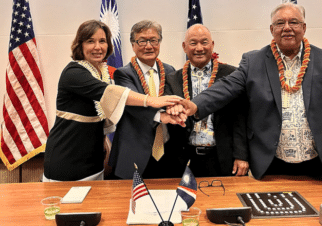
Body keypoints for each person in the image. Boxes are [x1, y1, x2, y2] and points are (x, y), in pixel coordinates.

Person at [172, 2, 322, 181]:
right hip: (271, 162)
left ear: (303, 28)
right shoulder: (253, 61)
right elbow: (226, 86)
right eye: (280, 23)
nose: (287, 28)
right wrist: (195, 105)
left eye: (293, 22)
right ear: (272, 30)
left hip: (318, 162)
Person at [43, 20, 181, 182]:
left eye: (102, 41)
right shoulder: (74, 73)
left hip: (94, 159)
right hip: (67, 156)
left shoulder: (101, 73)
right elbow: (112, 94)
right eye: (90, 41)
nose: (97, 47)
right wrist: (152, 101)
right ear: (79, 45)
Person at [164, 24, 249, 177]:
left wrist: (241, 155)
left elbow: (240, 118)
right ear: (184, 47)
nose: (199, 48)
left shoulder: (232, 75)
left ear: (212, 45)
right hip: (183, 158)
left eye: (204, 42)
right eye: (193, 43)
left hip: (222, 157)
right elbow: (168, 114)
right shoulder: (172, 79)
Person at [109, 20, 186, 179]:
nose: (148, 46)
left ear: (159, 42)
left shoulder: (169, 70)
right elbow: (133, 107)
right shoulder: (123, 74)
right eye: (142, 41)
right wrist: (161, 116)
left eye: (153, 40)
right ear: (133, 44)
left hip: (168, 151)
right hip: (135, 153)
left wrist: (175, 109)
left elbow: (173, 99)